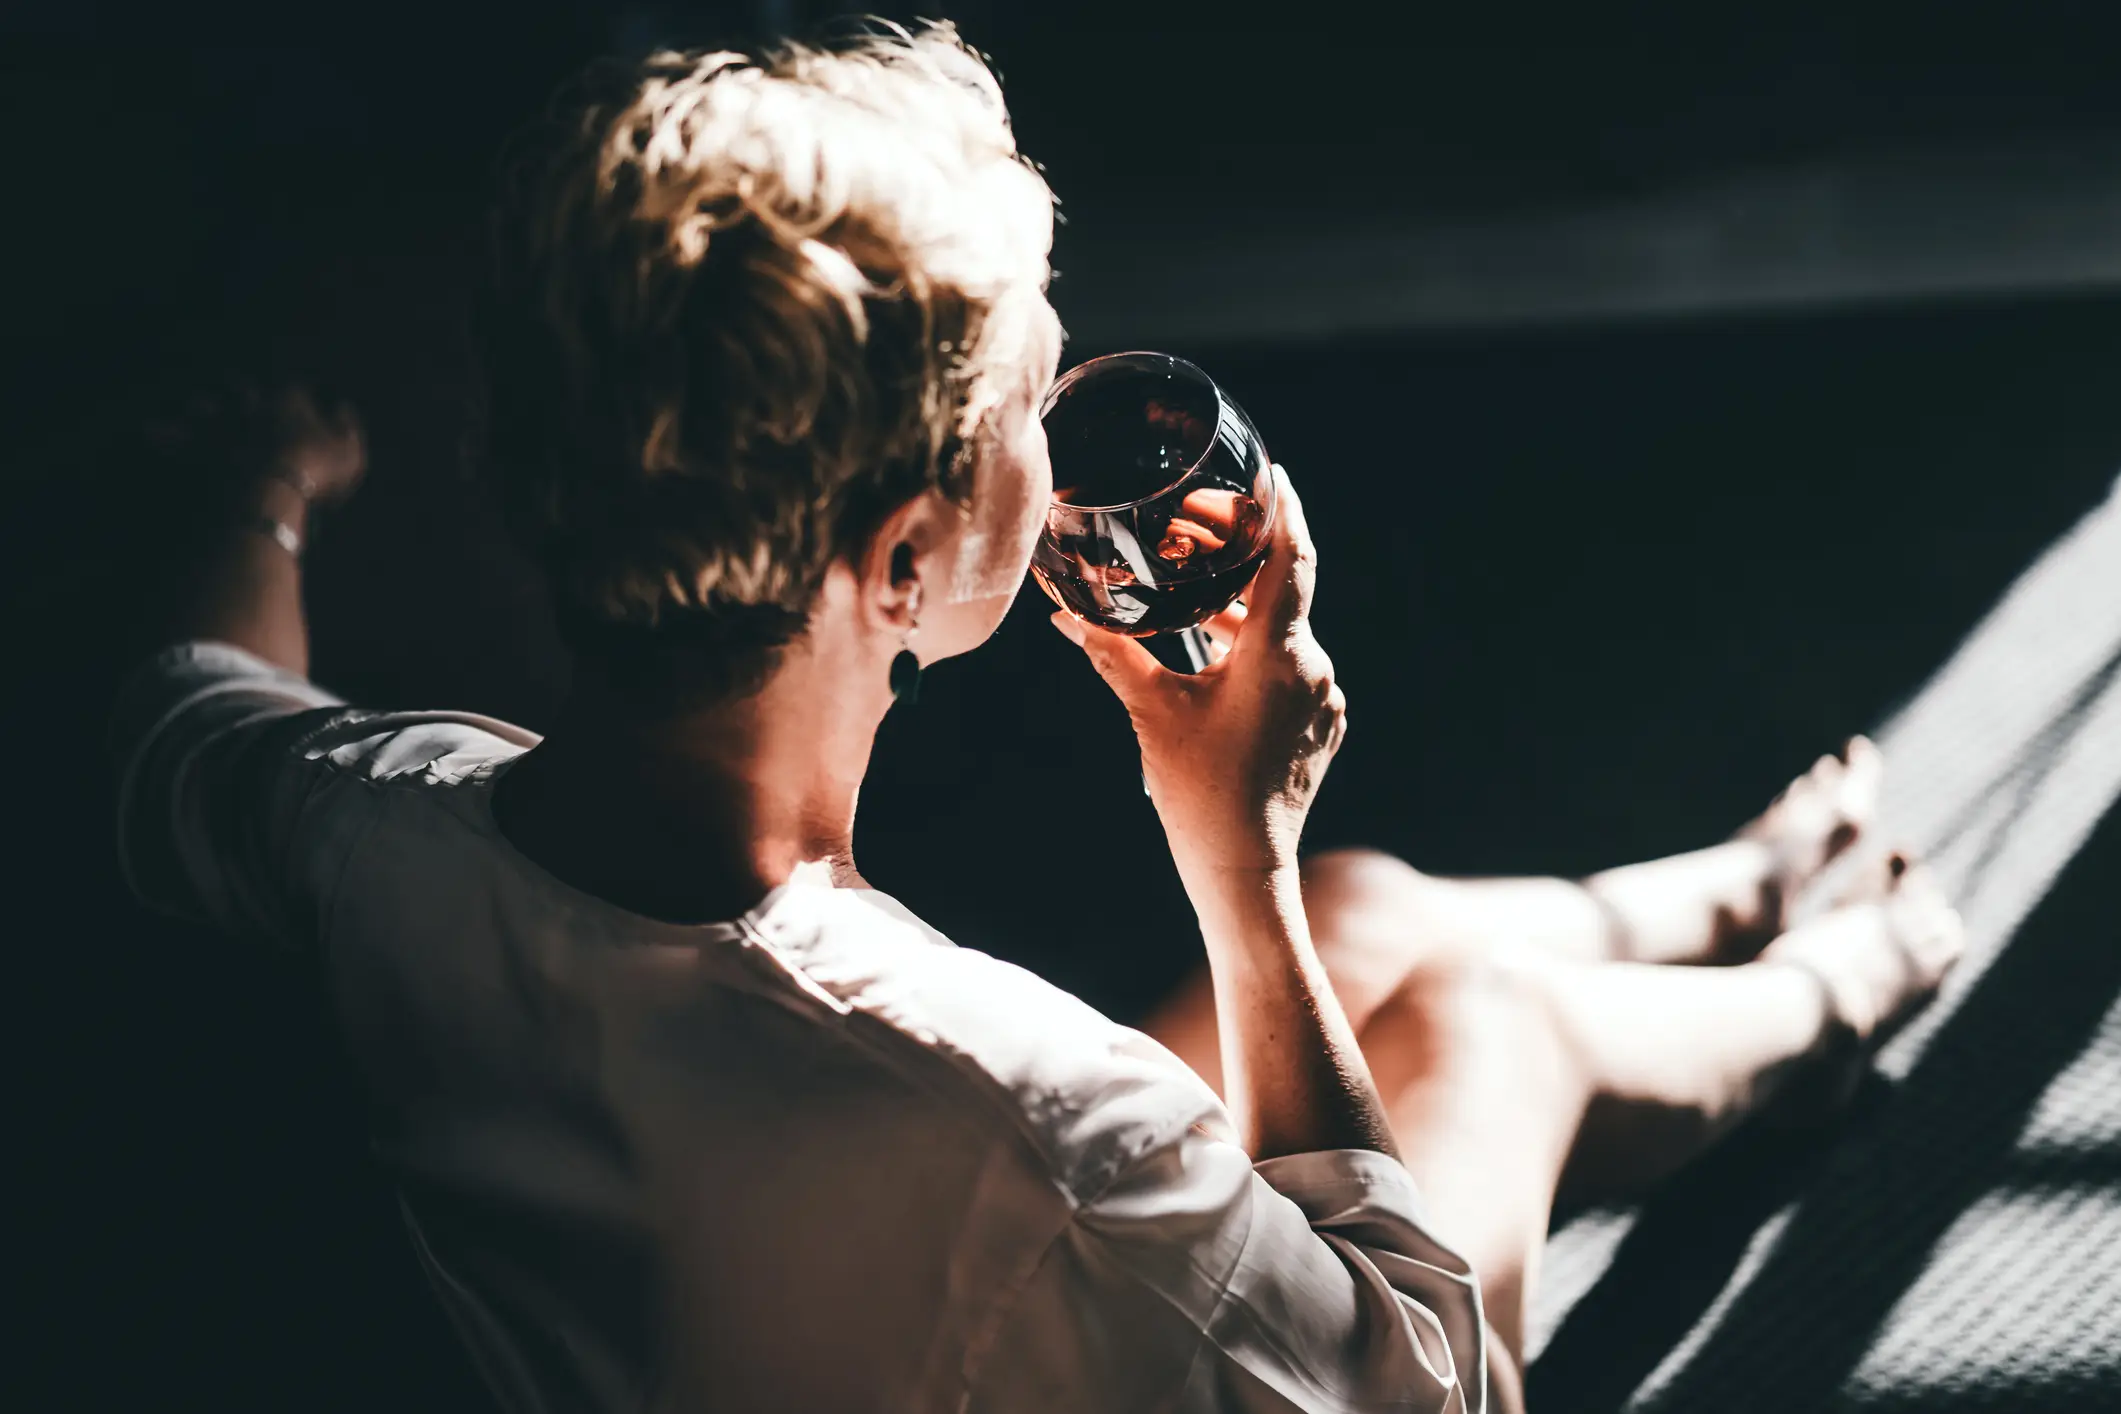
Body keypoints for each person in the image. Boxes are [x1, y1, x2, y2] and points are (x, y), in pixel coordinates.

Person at [113, 25, 1965, 1413]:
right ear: (908, 559)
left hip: (778, 1274)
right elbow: (1432, 1381)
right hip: (974, 1276)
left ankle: (1734, 883)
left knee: (1374, 915)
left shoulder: (383, 810)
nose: (1064, 427)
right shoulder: (1042, 1120)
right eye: (1030, 403)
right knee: (1484, 1022)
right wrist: (1232, 852)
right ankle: (1844, 985)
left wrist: (265, 490)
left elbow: (191, 711)